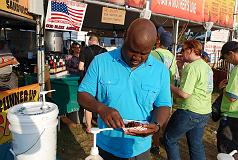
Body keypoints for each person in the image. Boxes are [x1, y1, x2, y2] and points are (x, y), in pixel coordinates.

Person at [77, 18, 172, 160]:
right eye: (132, 50)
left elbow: (164, 105)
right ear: (125, 37)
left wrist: (156, 125)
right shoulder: (101, 62)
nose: (137, 57)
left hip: (140, 148)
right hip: (107, 146)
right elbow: (82, 94)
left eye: (144, 53)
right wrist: (101, 109)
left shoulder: (160, 71)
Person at [164, 40, 213, 160]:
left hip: (189, 111)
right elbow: (193, 85)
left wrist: (168, 85)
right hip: (204, 111)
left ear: (190, 50)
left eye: (183, 50)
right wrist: (181, 69)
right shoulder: (206, 66)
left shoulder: (192, 67)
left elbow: (184, 94)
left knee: (169, 139)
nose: (181, 53)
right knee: (196, 144)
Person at [150, 31, 177, 154]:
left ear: (159, 41)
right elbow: (175, 75)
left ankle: (155, 145)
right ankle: (164, 140)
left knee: (154, 119)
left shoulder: (153, 54)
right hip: (167, 91)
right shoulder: (172, 56)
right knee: (164, 118)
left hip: (154, 91)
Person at [78, 34, 107, 133]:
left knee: (89, 103)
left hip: (89, 80)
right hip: (102, 80)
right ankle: (101, 126)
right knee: (101, 102)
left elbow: (80, 67)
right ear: (98, 41)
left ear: (90, 41)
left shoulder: (85, 50)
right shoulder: (104, 51)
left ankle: (89, 127)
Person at [216, 41, 238, 158]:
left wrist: (223, 88)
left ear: (231, 53)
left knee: (226, 150)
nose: (227, 62)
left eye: (226, 58)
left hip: (232, 116)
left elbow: (232, 97)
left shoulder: (236, 70)